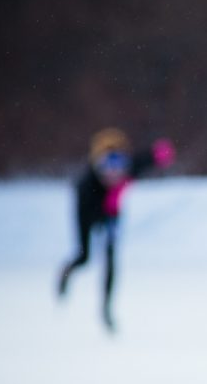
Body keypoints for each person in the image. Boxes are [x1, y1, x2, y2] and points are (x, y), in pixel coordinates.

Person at [56, 127, 176, 332]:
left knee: (111, 260)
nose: (113, 171)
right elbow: (85, 211)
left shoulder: (128, 169)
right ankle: (66, 273)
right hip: (88, 213)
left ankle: (106, 309)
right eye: (107, 164)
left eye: (118, 163)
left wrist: (161, 153)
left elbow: (147, 159)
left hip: (110, 214)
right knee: (84, 257)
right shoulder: (86, 186)